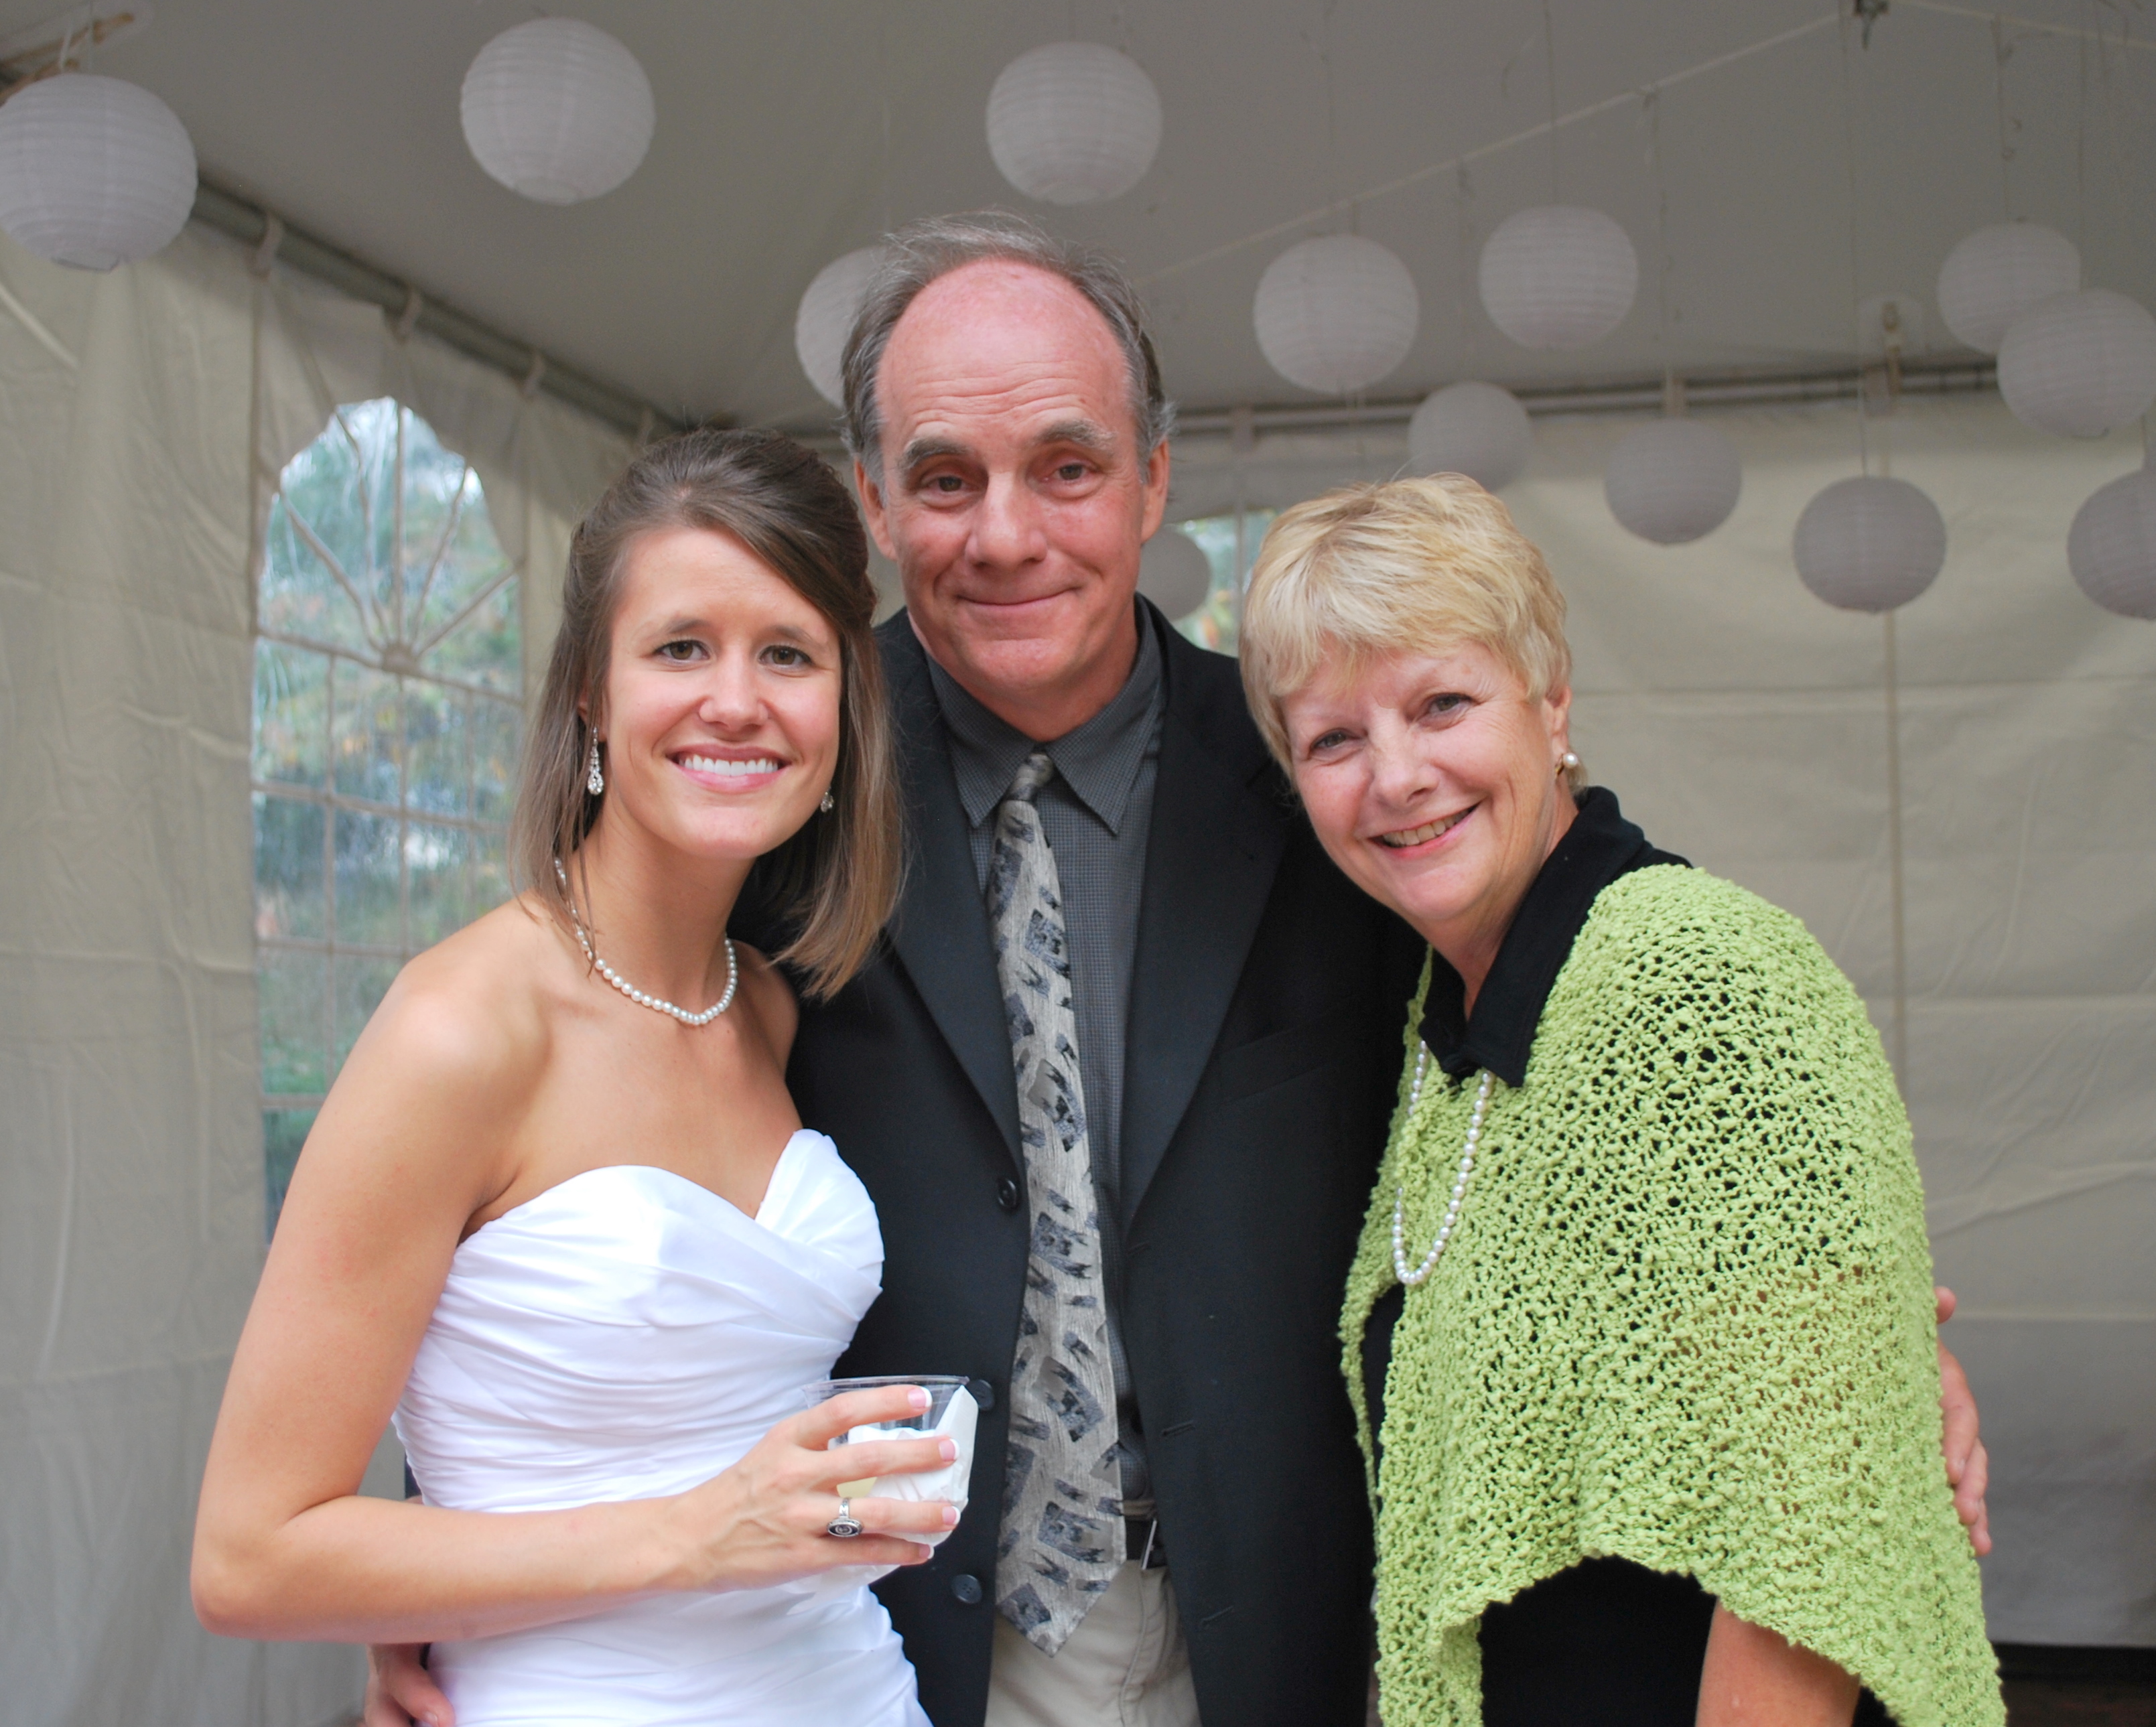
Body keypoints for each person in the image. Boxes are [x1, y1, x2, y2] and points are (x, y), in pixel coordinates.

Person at [370, 214, 1991, 1727]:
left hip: (1290, 1637)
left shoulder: (1328, 775)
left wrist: (1849, 1337)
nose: (1008, 533)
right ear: (872, 498)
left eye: (1066, 466)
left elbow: (1584, 1039)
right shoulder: (775, 774)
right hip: (872, 1640)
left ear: (1152, 478)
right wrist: (464, 1547)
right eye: (945, 477)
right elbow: (575, 1135)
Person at [193, 427, 964, 1727]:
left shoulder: (767, 1006)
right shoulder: (460, 1029)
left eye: (788, 653)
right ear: (591, 697)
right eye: (681, 647)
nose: (737, 699)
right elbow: (250, 1556)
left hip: (851, 1687)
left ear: (845, 706)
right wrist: (698, 1531)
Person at [1236, 474, 2004, 1727]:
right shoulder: (1449, 1028)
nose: (1396, 775)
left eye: (1441, 704)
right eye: (1333, 739)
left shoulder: (1692, 979)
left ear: (1550, 700)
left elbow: (1808, 1546)